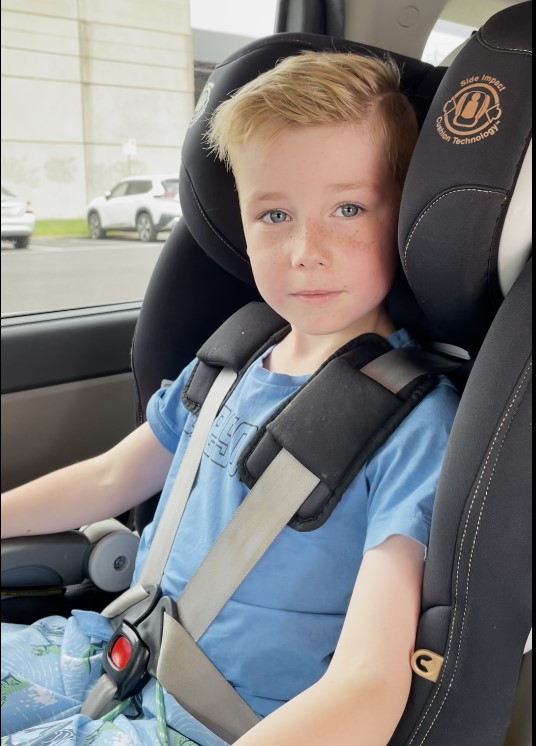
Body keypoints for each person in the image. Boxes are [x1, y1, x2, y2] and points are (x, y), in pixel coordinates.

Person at [1, 51, 460, 746]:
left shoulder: (416, 426)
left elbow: (369, 684)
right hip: (118, 651)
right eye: (274, 213)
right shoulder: (236, 354)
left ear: (403, 216)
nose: (306, 247)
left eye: (348, 207)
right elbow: (111, 477)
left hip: (216, 726)